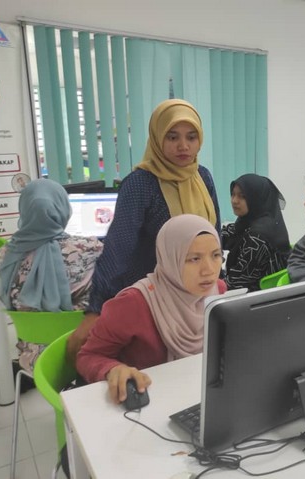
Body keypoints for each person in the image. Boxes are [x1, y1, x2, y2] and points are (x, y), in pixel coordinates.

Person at [68, 99, 221, 362]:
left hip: (194, 296)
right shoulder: (140, 183)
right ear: (157, 138)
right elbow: (119, 249)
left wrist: (216, 283)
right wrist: (96, 309)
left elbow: (213, 235)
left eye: (191, 137)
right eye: (172, 137)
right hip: (152, 302)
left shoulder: (202, 176)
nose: (183, 146)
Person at [76, 215, 226, 404]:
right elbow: (88, 356)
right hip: (149, 401)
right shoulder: (133, 304)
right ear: (170, 258)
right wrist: (113, 369)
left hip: (197, 392)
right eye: (194, 259)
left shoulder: (218, 290)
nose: (209, 270)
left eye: (216, 255)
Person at [0, 179, 103, 372]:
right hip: (81, 350)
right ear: (64, 209)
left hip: (32, 357)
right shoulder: (91, 248)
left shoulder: (5, 254)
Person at [221, 174, 291, 292]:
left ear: (256, 199)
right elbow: (228, 233)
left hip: (256, 297)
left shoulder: (257, 237)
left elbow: (234, 282)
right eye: (233, 194)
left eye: (242, 196)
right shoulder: (251, 221)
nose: (234, 201)